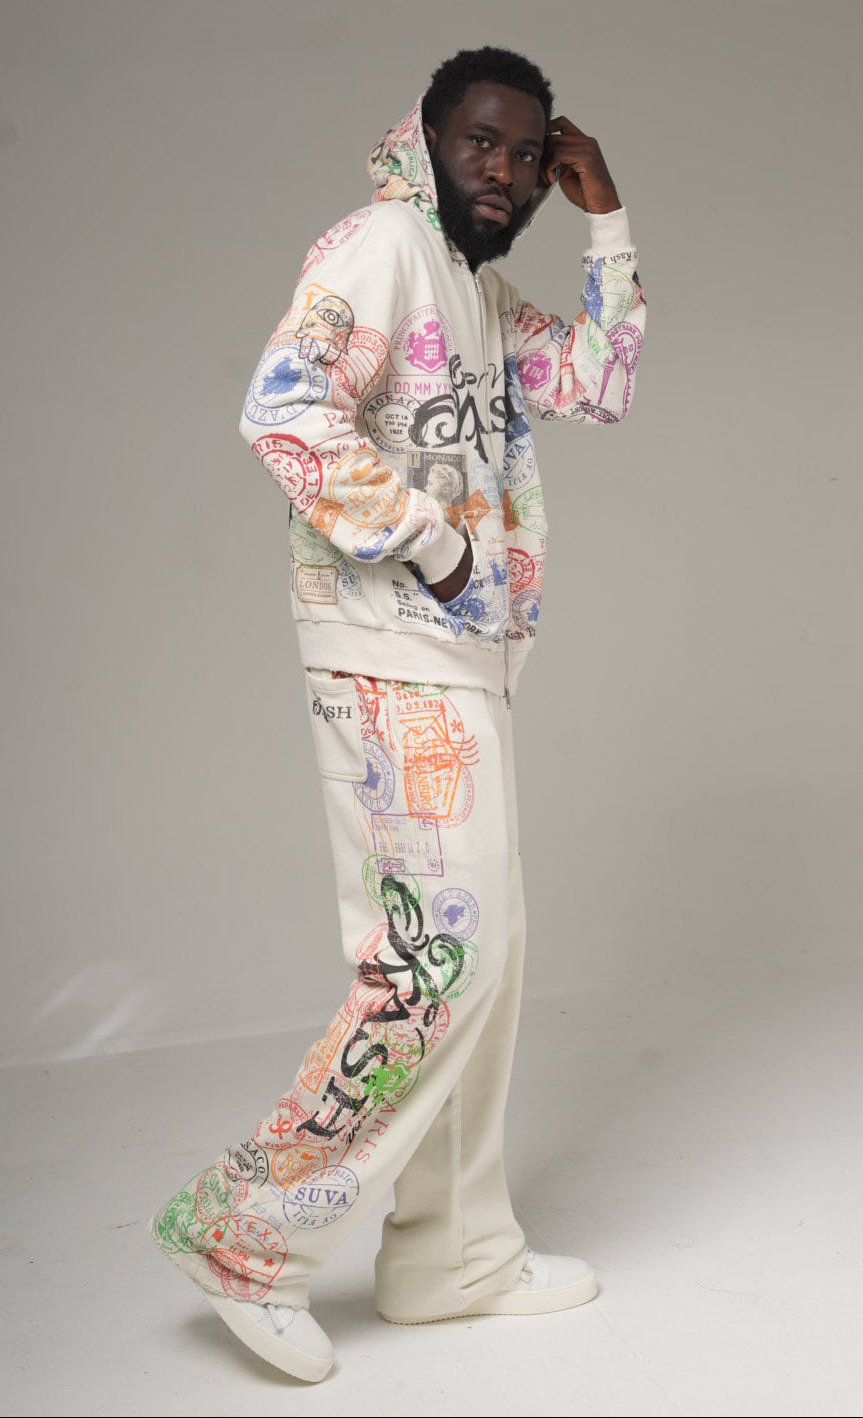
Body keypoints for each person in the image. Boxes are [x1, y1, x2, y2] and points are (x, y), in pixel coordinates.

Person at [149, 45, 646, 1384]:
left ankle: (452, 1257)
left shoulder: (475, 293)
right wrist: (432, 542)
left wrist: (607, 217)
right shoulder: (381, 246)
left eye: (528, 154)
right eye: (482, 141)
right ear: (426, 138)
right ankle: (247, 1233)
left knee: (490, 963)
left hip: (459, 663)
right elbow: (282, 407)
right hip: (384, 650)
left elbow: (600, 380)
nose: (506, 171)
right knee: (439, 963)